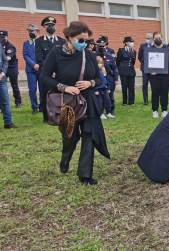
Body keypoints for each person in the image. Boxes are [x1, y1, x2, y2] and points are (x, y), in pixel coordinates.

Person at [41, 21, 110, 185]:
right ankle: (65, 160)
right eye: (80, 40)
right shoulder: (56, 53)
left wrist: (90, 83)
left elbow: (100, 78)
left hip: (88, 101)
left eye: (86, 40)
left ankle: (85, 174)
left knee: (89, 135)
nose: (84, 44)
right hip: (67, 103)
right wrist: (63, 87)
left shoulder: (89, 55)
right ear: (69, 37)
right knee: (70, 137)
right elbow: (44, 77)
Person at [36, 16, 66, 122]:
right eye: (49, 25)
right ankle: (47, 117)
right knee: (45, 95)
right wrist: (50, 71)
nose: (51, 27)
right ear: (44, 27)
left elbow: (64, 58)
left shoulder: (62, 41)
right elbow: (39, 59)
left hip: (59, 74)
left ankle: (59, 116)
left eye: (52, 25)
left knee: (59, 95)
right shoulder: (39, 41)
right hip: (46, 74)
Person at [149, 32, 169, 118]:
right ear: (153, 39)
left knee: (164, 92)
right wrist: (150, 71)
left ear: (162, 38)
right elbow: (145, 61)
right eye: (156, 38)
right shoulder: (150, 49)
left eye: (159, 38)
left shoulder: (167, 49)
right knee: (155, 93)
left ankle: (164, 110)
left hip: (165, 75)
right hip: (154, 76)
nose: (158, 39)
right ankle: (155, 110)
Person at [96, 36, 118, 116]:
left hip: (109, 78)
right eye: (100, 46)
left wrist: (115, 78)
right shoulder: (94, 56)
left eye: (103, 45)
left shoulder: (109, 56)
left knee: (110, 95)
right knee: (100, 97)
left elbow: (114, 68)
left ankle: (110, 111)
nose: (102, 47)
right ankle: (100, 112)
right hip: (99, 78)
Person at [0, 30, 22, 108]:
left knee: (14, 85)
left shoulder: (10, 46)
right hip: (3, 69)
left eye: (3, 37)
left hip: (12, 68)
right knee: (2, 86)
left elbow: (8, 58)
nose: (1, 38)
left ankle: (18, 102)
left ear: (6, 37)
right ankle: (2, 104)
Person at [23, 24, 40, 114]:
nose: (30, 32)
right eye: (29, 31)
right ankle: (34, 107)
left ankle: (42, 106)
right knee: (32, 89)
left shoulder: (41, 42)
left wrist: (40, 65)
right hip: (31, 70)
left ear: (37, 31)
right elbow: (25, 55)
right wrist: (33, 64)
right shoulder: (26, 43)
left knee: (42, 88)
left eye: (32, 31)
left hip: (41, 69)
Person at [116, 36, 136, 106]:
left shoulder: (134, 51)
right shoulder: (121, 50)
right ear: (126, 43)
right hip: (123, 71)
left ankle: (131, 102)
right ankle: (124, 102)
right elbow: (117, 61)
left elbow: (133, 62)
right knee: (124, 87)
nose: (132, 43)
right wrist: (120, 69)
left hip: (131, 71)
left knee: (131, 87)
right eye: (131, 42)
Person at [0, 40, 16, 129]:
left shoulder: (0, 46)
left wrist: (3, 73)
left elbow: (5, 61)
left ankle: (8, 123)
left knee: (5, 101)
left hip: (1, 78)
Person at [138, 33, 154, 105]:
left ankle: (154, 99)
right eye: (146, 38)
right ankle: (145, 100)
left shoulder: (154, 46)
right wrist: (144, 62)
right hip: (144, 68)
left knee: (153, 84)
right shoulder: (142, 46)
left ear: (152, 39)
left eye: (149, 38)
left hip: (152, 69)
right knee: (145, 84)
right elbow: (139, 56)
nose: (147, 39)